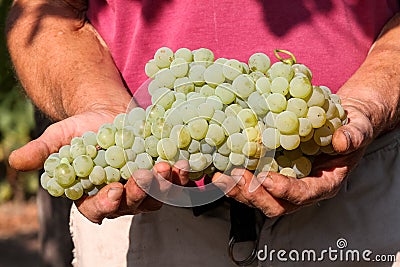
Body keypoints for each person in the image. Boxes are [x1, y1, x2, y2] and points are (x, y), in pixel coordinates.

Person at [5, 0, 400, 266]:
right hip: (149, 200)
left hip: (360, 184)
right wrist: (98, 105)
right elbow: (47, 10)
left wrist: (371, 102)